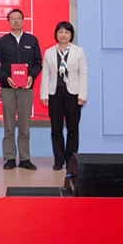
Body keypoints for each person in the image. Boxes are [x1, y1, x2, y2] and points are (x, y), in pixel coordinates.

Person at [0, 9, 42, 170]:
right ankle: (9, 158)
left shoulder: (31, 40)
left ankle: (25, 158)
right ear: (8, 21)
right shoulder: (2, 42)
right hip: (7, 88)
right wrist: (5, 77)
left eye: (19, 18)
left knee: (24, 126)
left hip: (26, 89)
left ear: (23, 20)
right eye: (13, 19)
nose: (16, 21)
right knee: (9, 126)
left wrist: (31, 76)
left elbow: (38, 63)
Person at [40, 21, 87, 171]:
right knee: (56, 129)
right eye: (60, 32)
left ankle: (71, 160)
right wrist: (44, 94)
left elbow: (83, 74)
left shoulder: (79, 51)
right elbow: (45, 74)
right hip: (55, 93)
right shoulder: (49, 52)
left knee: (73, 129)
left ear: (71, 35)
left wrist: (83, 94)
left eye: (67, 32)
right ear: (56, 34)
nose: (63, 35)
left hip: (73, 94)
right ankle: (58, 160)